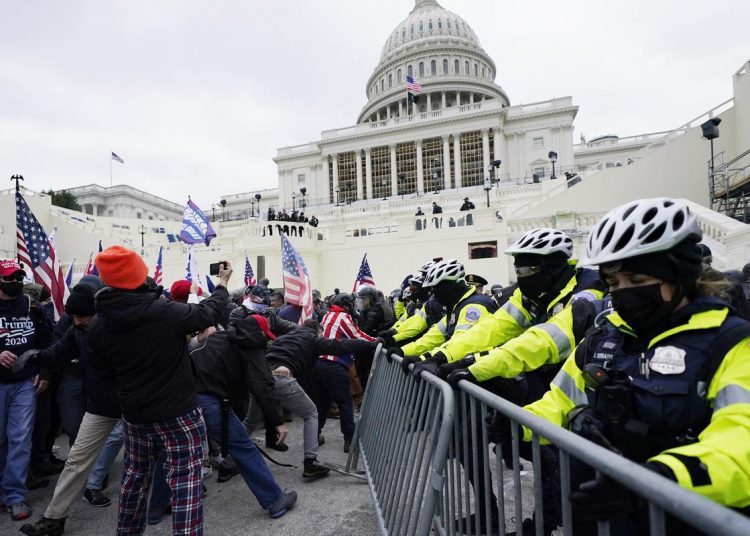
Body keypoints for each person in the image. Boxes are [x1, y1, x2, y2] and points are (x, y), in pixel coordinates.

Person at [507, 198, 750, 534]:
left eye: (636, 281)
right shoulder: (605, 335)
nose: (623, 294)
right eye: (615, 284)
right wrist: (516, 424)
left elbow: (741, 441)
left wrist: (660, 478)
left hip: (685, 516)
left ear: (678, 276)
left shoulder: (732, 343)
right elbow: (562, 401)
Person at [87, 246, 232, 535]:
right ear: (139, 274)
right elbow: (207, 313)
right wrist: (223, 284)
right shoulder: (162, 311)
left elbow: (103, 373)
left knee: (134, 478)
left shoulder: (99, 324)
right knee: (186, 480)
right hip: (179, 412)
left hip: (135, 415)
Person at [18, 280, 126, 536]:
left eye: (82, 316)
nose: (76, 321)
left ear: (98, 312)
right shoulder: (77, 330)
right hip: (101, 404)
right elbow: (58, 351)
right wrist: (33, 355)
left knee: (153, 456)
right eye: (73, 316)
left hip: (135, 404)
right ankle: (54, 518)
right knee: (76, 459)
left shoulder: (123, 327)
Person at [428, 228, 605, 366]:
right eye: (517, 271)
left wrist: (477, 363)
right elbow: (492, 329)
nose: (521, 277)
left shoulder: (588, 293)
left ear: (552, 267)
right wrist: (442, 356)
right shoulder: (527, 295)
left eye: (526, 270)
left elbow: (543, 342)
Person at [190, 315, 297, 517]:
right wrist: (278, 421)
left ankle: (158, 507)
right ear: (258, 334)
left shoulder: (216, 338)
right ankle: (275, 500)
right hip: (212, 403)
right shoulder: (251, 346)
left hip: (184, 400)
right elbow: (263, 386)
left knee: (176, 452)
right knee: (245, 449)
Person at [247, 319, 379, 478]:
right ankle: (311, 462)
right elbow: (342, 346)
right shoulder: (313, 339)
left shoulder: (283, 338)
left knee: (250, 421)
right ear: (318, 331)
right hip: (280, 377)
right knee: (311, 414)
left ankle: (229, 459)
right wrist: (371, 344)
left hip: (259, 378)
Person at [0, 260, 52, 521]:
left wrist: (45, 372)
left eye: (19, 277)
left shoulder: (32, 307)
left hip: (25, 382)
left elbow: (47, 342)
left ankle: (14, 495)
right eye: (10, 278)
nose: (16, 282)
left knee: (20, 438)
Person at [394, 259, 497, 369]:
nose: (433, 293)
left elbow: (459, 343)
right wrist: (402, 350)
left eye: (436, 288)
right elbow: (432, 338)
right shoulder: (456, 307)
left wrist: (425, 358)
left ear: (449, 285)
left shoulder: (473, 307)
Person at [313, 293, 376, 453]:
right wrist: (376, 341)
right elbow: (358, 336)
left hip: (318, 363)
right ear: (346, 305)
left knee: (322, 403)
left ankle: (315, 435)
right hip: (334, 365)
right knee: (345, 403)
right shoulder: (342, 317)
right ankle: (349, 440)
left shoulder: (327, 315)